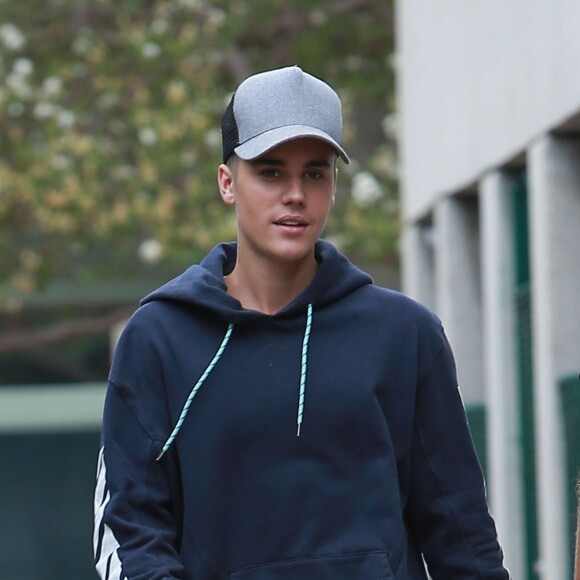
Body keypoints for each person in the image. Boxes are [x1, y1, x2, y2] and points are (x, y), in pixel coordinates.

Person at [93, 65, 509, 579]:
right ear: (227, 183)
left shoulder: (405, 335)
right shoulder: (158, 338)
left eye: (315, 172)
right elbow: (131, 529)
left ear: (333, 186)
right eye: (270, 172)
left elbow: (460, 532)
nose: (295, 194)